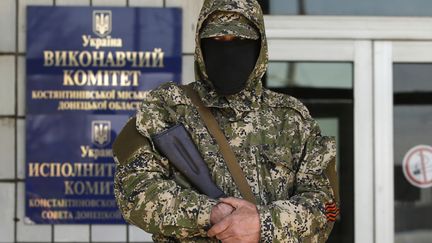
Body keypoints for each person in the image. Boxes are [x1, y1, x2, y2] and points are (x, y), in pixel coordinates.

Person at [113, 0, 338, 242]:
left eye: (241, 41)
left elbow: (326, 207)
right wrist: (210, 213)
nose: (228, 53)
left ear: (259, 47)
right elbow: (134, 193)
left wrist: (262, 224)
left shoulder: (292, 118)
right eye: (217, 41)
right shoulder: (168, 109)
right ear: (201, 46)